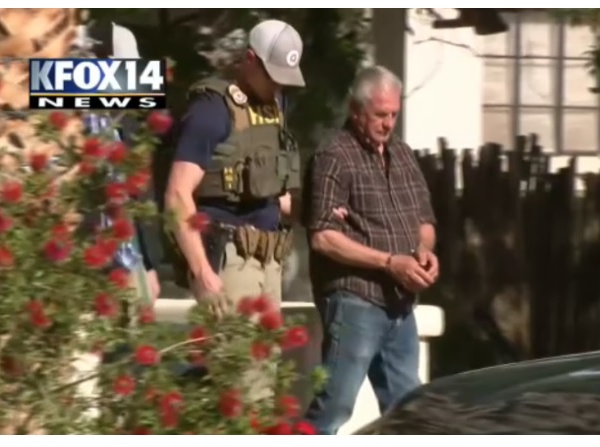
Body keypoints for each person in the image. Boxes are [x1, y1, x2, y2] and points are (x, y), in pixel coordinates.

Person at [302, 65, 439, 435]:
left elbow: (425, 221)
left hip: (400, 304)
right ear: (355, 109)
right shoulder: (334, 156)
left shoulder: (403, 154)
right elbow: (322, 236)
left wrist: (423, 253)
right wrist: (390, 262)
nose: (388, 123)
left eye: (394, 114)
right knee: (333, 407)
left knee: (409, 412)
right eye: (380, 114)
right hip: (355, 301)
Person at [164, 19, 305, 316]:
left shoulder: (274, 106)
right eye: (273, 75)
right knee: (233, 346)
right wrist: (201, 270)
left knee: (266, 349)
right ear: (250, 59)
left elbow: (271, 189)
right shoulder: (212, 110)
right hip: (229, 260)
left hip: (270, 258)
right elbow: (177, 194)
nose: (278, 85)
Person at [84, 21, 162, 305]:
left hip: (130, 260)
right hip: (89, 262)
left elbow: (138, 195)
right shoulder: (76, 123)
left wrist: (149, 265)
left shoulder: (126, 124)